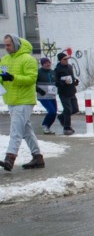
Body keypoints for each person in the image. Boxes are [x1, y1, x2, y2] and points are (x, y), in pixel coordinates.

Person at [1, 35, 44, 170]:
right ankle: (38, 157)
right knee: (26, 130)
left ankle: (10, 158)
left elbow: (31, 79)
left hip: (24, 100)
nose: (6, 48)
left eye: (8, 45)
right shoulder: (5, 59)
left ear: (15, 44)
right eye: (5, 45)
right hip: (11, 100)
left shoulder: (28, 59)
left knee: (16, 130)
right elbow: (2, 77)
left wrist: (13, 78)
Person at [54, 52, 79, 135]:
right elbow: (56, 82)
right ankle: (67, 127)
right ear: (60, 60)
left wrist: (75, 81)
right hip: (63, 93)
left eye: (67, 59)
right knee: (68, 110)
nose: (66, 61)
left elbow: (72, 77)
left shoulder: (70, 67)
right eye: (64, 59)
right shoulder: (57, 70)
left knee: (75, 109)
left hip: (72, 91)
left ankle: (61, 117)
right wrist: (64, 82)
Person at [36, 57, 58, 135]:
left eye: (49, 63)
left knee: (54, 112)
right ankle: (44, 125)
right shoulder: (38, 72)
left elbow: (56, 81)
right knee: (51, 111)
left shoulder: (53, 72)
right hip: (43, 96)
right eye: (45, 63)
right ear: (42, 64)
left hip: (52, 96)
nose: (48, 64)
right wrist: (38, 90)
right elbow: (33, 83)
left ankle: (48, 127)